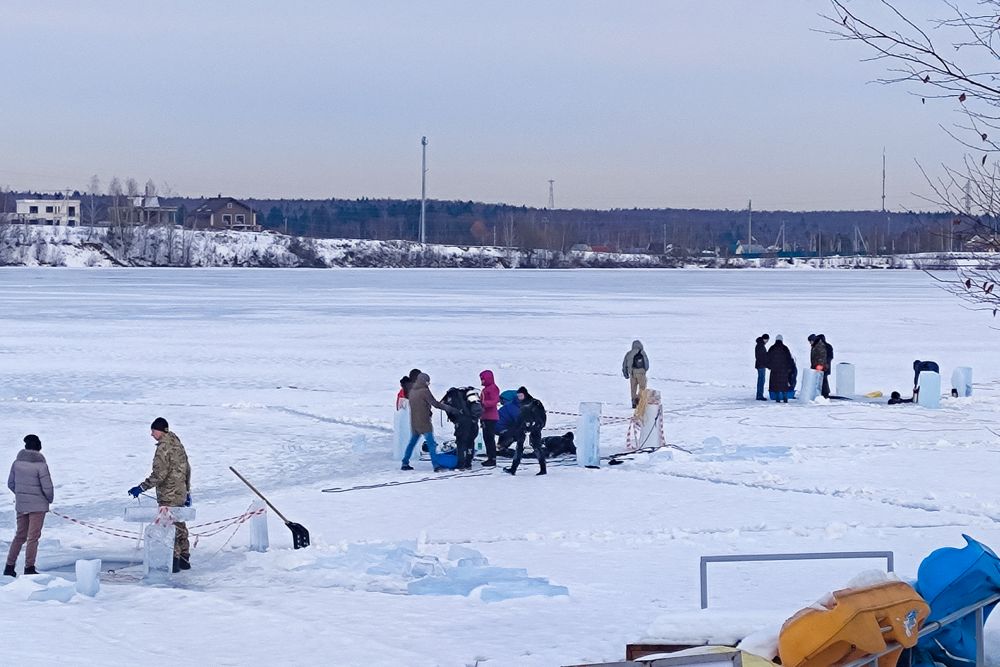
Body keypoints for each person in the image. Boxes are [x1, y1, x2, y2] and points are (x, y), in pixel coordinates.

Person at [128, 418, 192, 574]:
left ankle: (175, 561)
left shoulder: (163, 448)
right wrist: (187, 490)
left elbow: (159, 474)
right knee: (180, 523)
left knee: (170, 525)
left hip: (168, 494)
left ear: (161, 430)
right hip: (180, 491)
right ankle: (184, 558)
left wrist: (141, 487)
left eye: (153, 431)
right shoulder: (177, 443)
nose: (151, 434)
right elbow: (187, 468)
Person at [5, 435, 54, 577]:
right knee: (33, 537)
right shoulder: (41, 465)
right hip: (38, 507)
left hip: (22, 505)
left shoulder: (16, 463)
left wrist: (22, 495)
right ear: (39, 447)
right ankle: (29, 568)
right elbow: (48, 488)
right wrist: (47, 500)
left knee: (20, 536)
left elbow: (11, 484)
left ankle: (9, 567)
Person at [401, 373, 456, 471]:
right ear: (423, 381)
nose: (429, 383)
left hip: (414, 422)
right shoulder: (424, 391)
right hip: (424, 422)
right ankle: (436, 466)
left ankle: (405, 462)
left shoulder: (412, 391)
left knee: (412, 443)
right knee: (431, 444)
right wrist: (449, 408)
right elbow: (435, 404)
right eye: (427, 381)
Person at [504, 386, 547, 476]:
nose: (519, 397)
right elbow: (520, 417)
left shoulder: (535, 403)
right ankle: (513, 468)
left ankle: (543, 469)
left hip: (535, 428)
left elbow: (541, 416)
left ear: (525, 394)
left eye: (521, 395)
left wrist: (537, 426)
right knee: (519, 447)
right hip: (522, 429)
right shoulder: (522, 404)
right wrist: (516, 428)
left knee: (537, 447)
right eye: (518, 396)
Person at [442, 386, 482, 470]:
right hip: (474, 421)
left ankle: (461, 464)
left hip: (462, 422)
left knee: (461, 443)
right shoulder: (468, 395)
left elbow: (447, 409)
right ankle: (468, 463)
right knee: (470, 442)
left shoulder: (451, 397)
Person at [479, 370, 500, 467]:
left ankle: (492, 458)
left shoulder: (493, 388)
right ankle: (490, 457)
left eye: (483, 379)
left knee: (489, 438)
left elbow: (494, 401)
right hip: (485, 417)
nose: (482, 381)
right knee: (486, 438)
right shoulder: (486, 389)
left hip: (490, 417)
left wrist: (483, 404)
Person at [766, 335, 794, 403]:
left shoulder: (772, 348)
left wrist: (769, 366)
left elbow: (768, 358)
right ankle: (785, 398)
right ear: (782, 340)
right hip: (784, 370)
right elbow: (789, 358)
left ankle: (777, 398)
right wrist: (790, 368)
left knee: (776, 384)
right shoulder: (785, 348)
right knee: (784, 384)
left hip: (774, 369)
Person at [622, 340, 649, 408]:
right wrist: (645, 370)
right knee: (642, 387)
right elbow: (646, 362)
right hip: (641, 372)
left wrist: (626, 373)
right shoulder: (642, 352)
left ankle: (634, 402)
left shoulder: (629, 353)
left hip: (632, 373)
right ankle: (640, 400)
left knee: (633, 388)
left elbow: (624, 364)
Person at [496, 389, 521, 456]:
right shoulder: (512, 406)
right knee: (517, 432)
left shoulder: (508, 406)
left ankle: (500, 445)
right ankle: (502, 446)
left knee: (509, 429)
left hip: (498, 426)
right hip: (501, 427)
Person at [754, 334, 770, 401]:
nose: (767, 341)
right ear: (765, 339)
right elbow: (762, 357)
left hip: (760, 365)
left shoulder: (760, 345)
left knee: (761, 380)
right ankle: (759, 395)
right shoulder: (760, 346)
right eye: (767, 340)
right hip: (761, 365)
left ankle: (759, 395)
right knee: (761, 380)